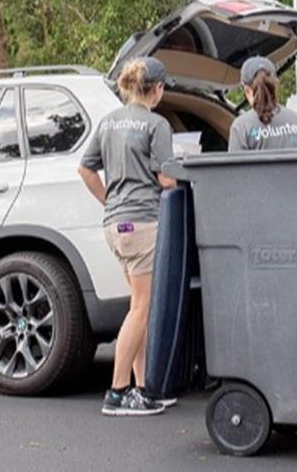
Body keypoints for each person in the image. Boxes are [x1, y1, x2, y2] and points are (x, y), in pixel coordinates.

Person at [77, 57, 178, 416]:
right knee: (141, 308)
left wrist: (109, 200)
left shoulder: (108, 123)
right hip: (143, 224)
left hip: (116, 226)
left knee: (138, 306)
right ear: (156, 88)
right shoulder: (157, 124)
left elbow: (85, 168)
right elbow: (166, 180)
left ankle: (143, 389)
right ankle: (117, 393)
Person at [227, 56, 297, 152]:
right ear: (275, 85)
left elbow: (236, 166)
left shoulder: (241, 127)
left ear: (247, 90)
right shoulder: (295, 119)